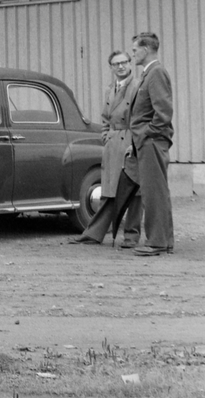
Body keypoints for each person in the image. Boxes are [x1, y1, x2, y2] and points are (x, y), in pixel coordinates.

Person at [70, 50, 144, 247]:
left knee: (133, 191)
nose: (120, 67)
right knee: (109, 191)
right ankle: (94, 233)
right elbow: (105, 118)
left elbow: (140, 119)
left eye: (124, 62)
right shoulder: (110, 89)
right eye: (116, 64)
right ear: (111, 67)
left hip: (130, 142)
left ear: (130, 64)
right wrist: (105, 135)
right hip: (113, 144)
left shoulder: (137, 87)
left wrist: (134, 144)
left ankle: (131, 236)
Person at [117, 32, 175, 256]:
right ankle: (163, 241)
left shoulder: (156, 73)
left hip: (151, 141)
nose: (132, 55)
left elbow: (163, 113)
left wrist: (145, 134)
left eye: (134, 50)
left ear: (146, 49)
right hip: (147, 141)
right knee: (157, 192)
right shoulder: (148, 73)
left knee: (153, 194)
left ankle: (156, 242)